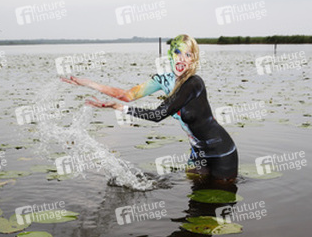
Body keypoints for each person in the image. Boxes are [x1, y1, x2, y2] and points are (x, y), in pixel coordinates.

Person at [61, 34, 238, 181]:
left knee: (219, 198)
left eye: (188, 55)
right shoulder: (163, 80)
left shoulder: (194, 83)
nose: (182, 58)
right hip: (197, 152)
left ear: (194, 60)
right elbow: (127, 95)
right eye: (177, 52)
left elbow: (158, 115)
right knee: (193, 198)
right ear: (171, 55)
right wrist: (90, 84)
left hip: (220, 151)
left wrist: (120, 108)